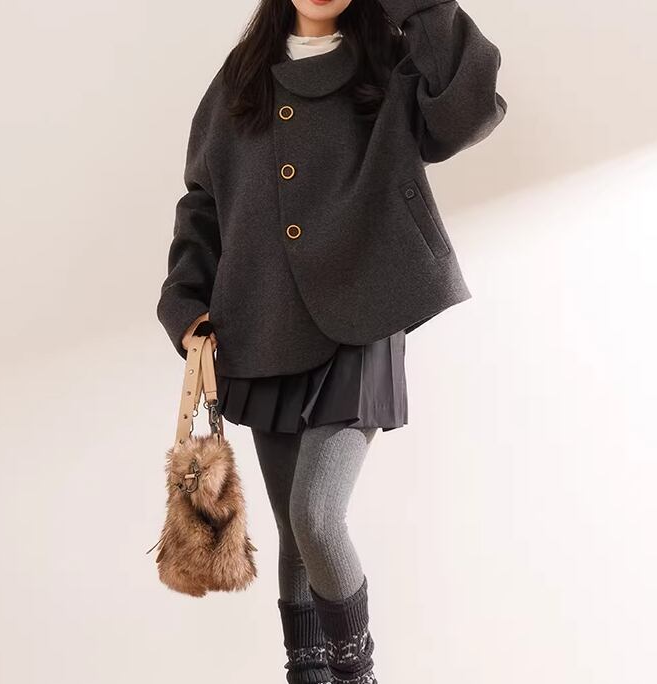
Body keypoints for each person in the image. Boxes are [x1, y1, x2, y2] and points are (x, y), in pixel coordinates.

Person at [156, 1, 506, 681]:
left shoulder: (393, 64)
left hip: (364, 320)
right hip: (262, 325)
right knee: (295, 534)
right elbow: (202, 202)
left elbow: (468, 109)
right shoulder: (240, 80)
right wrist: (187, 303)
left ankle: (356, 673)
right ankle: (307, 672)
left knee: (316, 515)